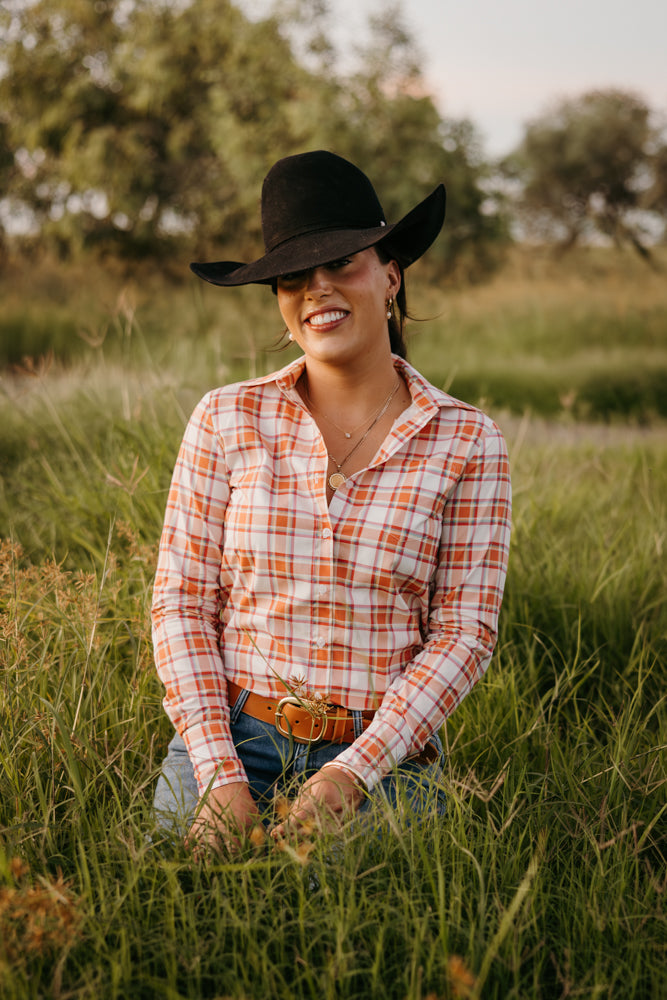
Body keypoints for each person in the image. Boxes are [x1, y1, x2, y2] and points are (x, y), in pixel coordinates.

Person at [151, 150, 511, 854]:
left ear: (389, 275)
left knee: (341, 904)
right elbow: (182, 603)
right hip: (234, 736)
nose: (318, 288)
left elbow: (464, 633)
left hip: (385, 755)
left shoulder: (467, 440)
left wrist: (351, 774)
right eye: (292, 277)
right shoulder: (226, 419)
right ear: (281, 305)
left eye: (342, 262)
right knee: (181, 891)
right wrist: (221, 777)